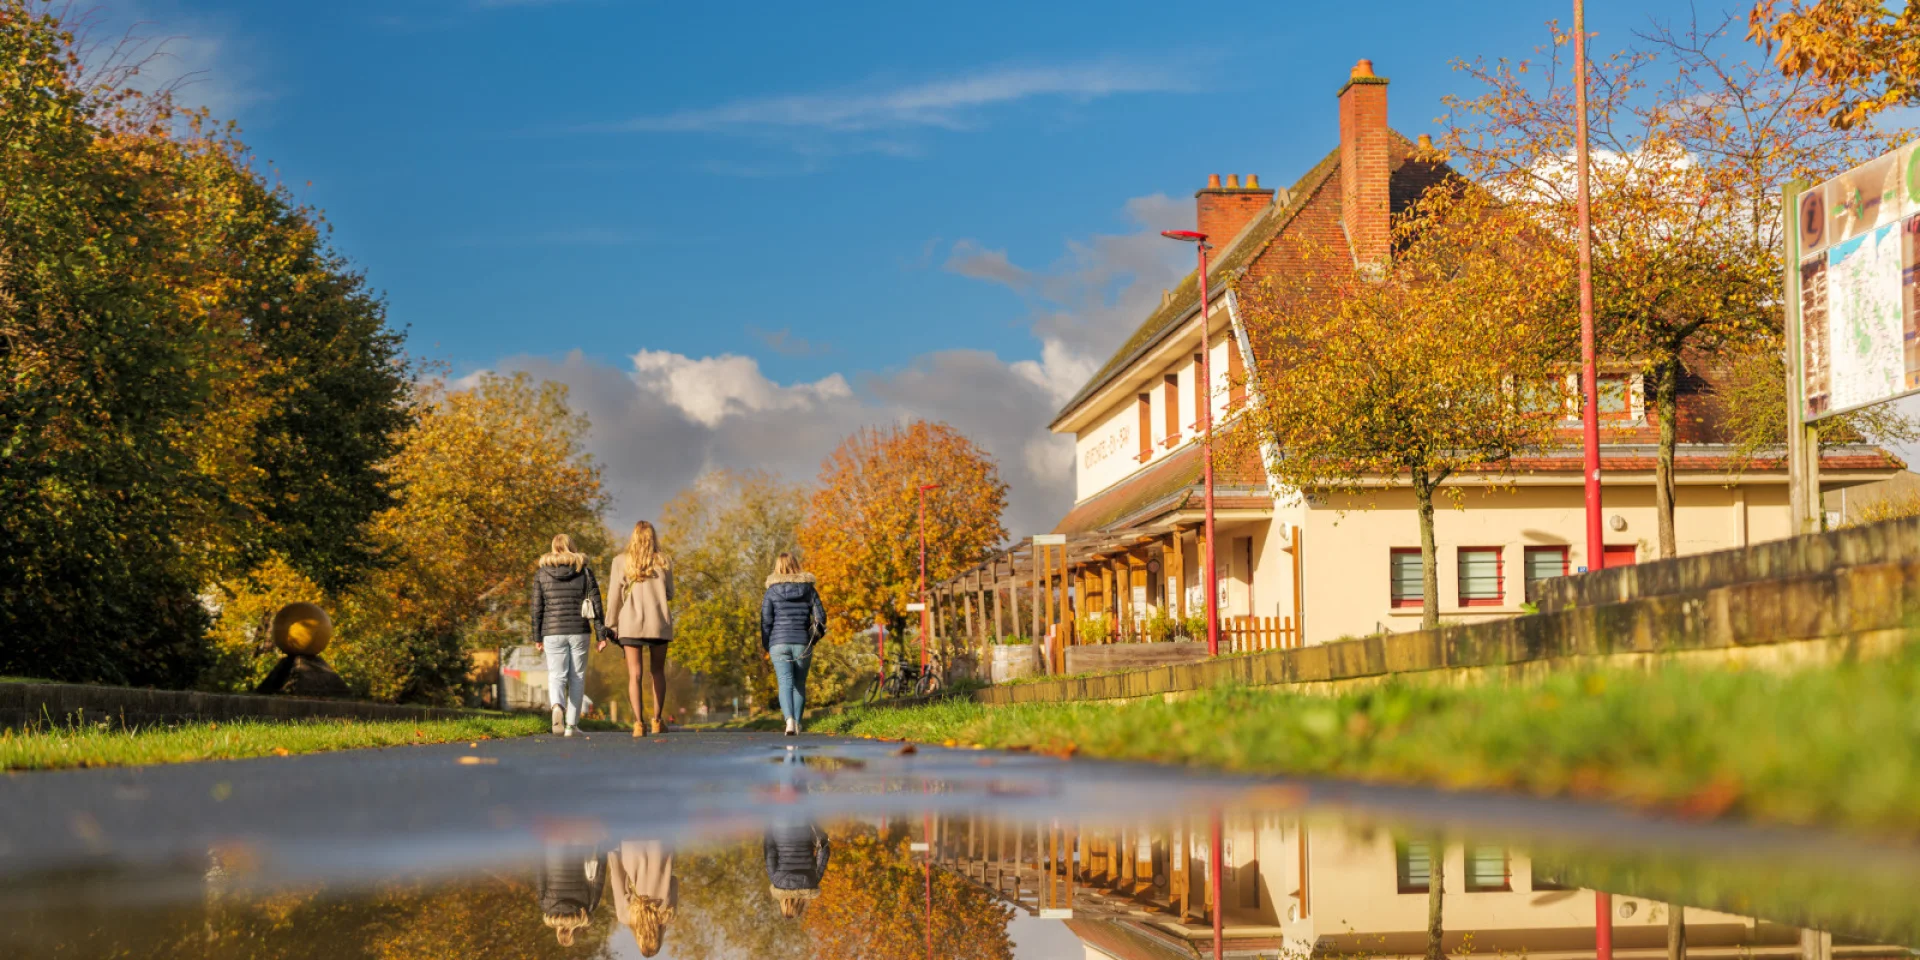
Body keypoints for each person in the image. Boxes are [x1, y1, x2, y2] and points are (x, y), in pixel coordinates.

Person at [530, 534, 604, 737]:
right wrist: (601, 634)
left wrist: (537, 636)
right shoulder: (585, 572)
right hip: (579, 630)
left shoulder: (541, 574)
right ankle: (571, 725)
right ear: (572, 547)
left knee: (556, 675)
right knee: (577, 677)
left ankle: (556, 707)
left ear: (553, 548)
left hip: (552, 631)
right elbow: (596, 605)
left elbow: (537, 608)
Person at [607, 520, 674, 737]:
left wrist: (611, 624)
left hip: (630, 624)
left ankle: (638, 723)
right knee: (657, 672)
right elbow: (670, 593)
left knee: (634, 674)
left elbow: (614, 597)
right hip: (658, 622)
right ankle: (657, 720)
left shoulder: (620, 562)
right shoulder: (664, 561)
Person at [760, 552, 827, 736]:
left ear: (777, 567)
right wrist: (813, 637)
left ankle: (789, 721)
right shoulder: (809, 589)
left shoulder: (771, 591)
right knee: (799, 683)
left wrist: (767, 644)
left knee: (785, 683)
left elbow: (766, 621)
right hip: (802, 642)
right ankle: (797, 723)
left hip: (778, 642)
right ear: (796, 565)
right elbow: (821, 617)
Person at [608, 839, 678, 957]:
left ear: (660, 938)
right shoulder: (625, 916)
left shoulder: (668, 915)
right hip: (631, 851)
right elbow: (617, 877)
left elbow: (674, 881)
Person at [537, 841, 605, 947]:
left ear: (576, 932)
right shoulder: (546, 907)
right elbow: (540, 872)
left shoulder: (588, 907)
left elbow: (599, 877)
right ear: (557, 932)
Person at [764, 818, 830, 920]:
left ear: (800, 907)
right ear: (783, 905)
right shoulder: (776, 880)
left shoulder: (812, 882)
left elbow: (824, 851)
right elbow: (770, 850)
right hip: (780, 829)